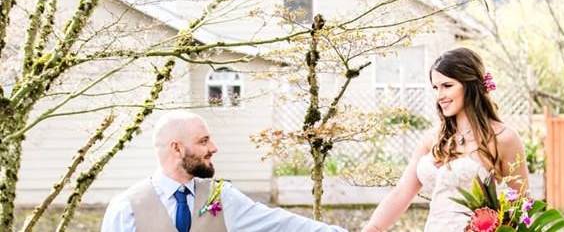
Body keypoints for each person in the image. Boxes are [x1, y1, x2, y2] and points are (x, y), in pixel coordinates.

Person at [362, 47, 529, 232]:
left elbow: (520, 206)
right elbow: (401, 192)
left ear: (470, 85)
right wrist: (373, 228)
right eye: (436, 87)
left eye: (447, 86)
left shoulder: (503, 138)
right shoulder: (432, 139)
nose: (440, 96)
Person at [101, 110, 348, 232]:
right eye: (203, 141)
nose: (214, 148)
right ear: (176, 148)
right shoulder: (126, 208)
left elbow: (283, 225)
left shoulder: (222, 197)